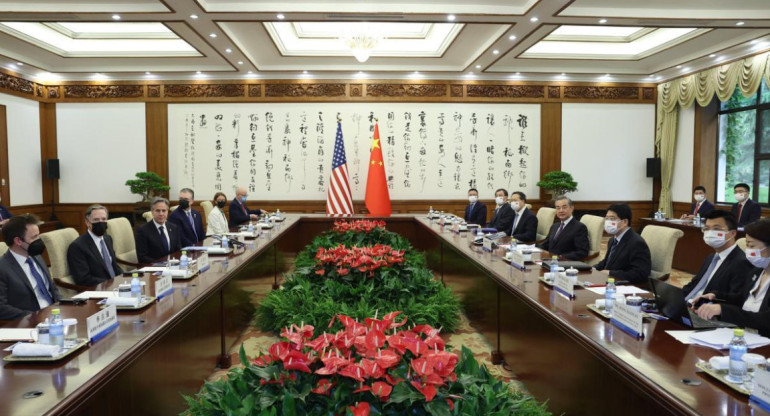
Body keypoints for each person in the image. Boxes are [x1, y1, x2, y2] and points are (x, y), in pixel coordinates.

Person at [694, 219, 770, 336]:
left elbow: (766, 319)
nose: (748, 250)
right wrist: (716, 297)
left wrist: (723, 310)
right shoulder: (757, 272)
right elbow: (742, 300)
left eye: (752, 245)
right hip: (744, 335)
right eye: (747, 245)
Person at [681, 210, 753, 303]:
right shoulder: (710, 258)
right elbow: (694, 285)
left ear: (733, 233)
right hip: (686, 303)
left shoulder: (742, 262)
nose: (710, 233)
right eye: (706, 228)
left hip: (704, 310)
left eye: (717, 229)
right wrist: (674, 297)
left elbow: (734, 300)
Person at [0, 214, 60, 320]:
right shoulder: (3, 268)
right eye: (34, 237)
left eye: (38, 235)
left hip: (54, 314)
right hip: (28, 322)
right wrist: (34, 316)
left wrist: (63, 304)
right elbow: (1, 308)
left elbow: (52, 288)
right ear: (18, 241)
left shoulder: (36, 256)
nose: (39, 240)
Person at [67, 204, 124, 286]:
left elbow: (113, 266)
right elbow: (83, 279)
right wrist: (111, 284)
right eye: (96, 220)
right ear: (87, 223)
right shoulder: (77, 247)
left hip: (117, 286)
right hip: (98, 289)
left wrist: (125, 278)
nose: (100, 222)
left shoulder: (108, 239)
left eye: (103, 219)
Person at [593, 203, 651, 284]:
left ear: (624, 222)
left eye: (612, 219)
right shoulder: (613, 240)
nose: (608, 222)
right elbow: (607, 262)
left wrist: (610, 273)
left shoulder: (636, 243)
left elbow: (640, 274)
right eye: (607, 219)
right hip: (608, 281)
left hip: (624, 286)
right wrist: (592, 269)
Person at [538, 196, 590, 260]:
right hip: (549, 261)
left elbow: (582, 252)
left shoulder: (579, 227)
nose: (561, 211)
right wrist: (529, 248)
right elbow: (545, 245)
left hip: (565, 264)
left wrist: (559, 257)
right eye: (558, 208)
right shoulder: (554, 226)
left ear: (572, 208)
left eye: (564, 207)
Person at [135, 197, 181, 263]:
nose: (161, 214)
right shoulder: (143, 231)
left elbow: (178, 250)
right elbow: (142, 257)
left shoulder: (173, 228)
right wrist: (161, 264)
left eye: (164, 210)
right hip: (153, 268)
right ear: (152, 212)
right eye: (158, 211)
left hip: (172, 267)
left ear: (167, 212)